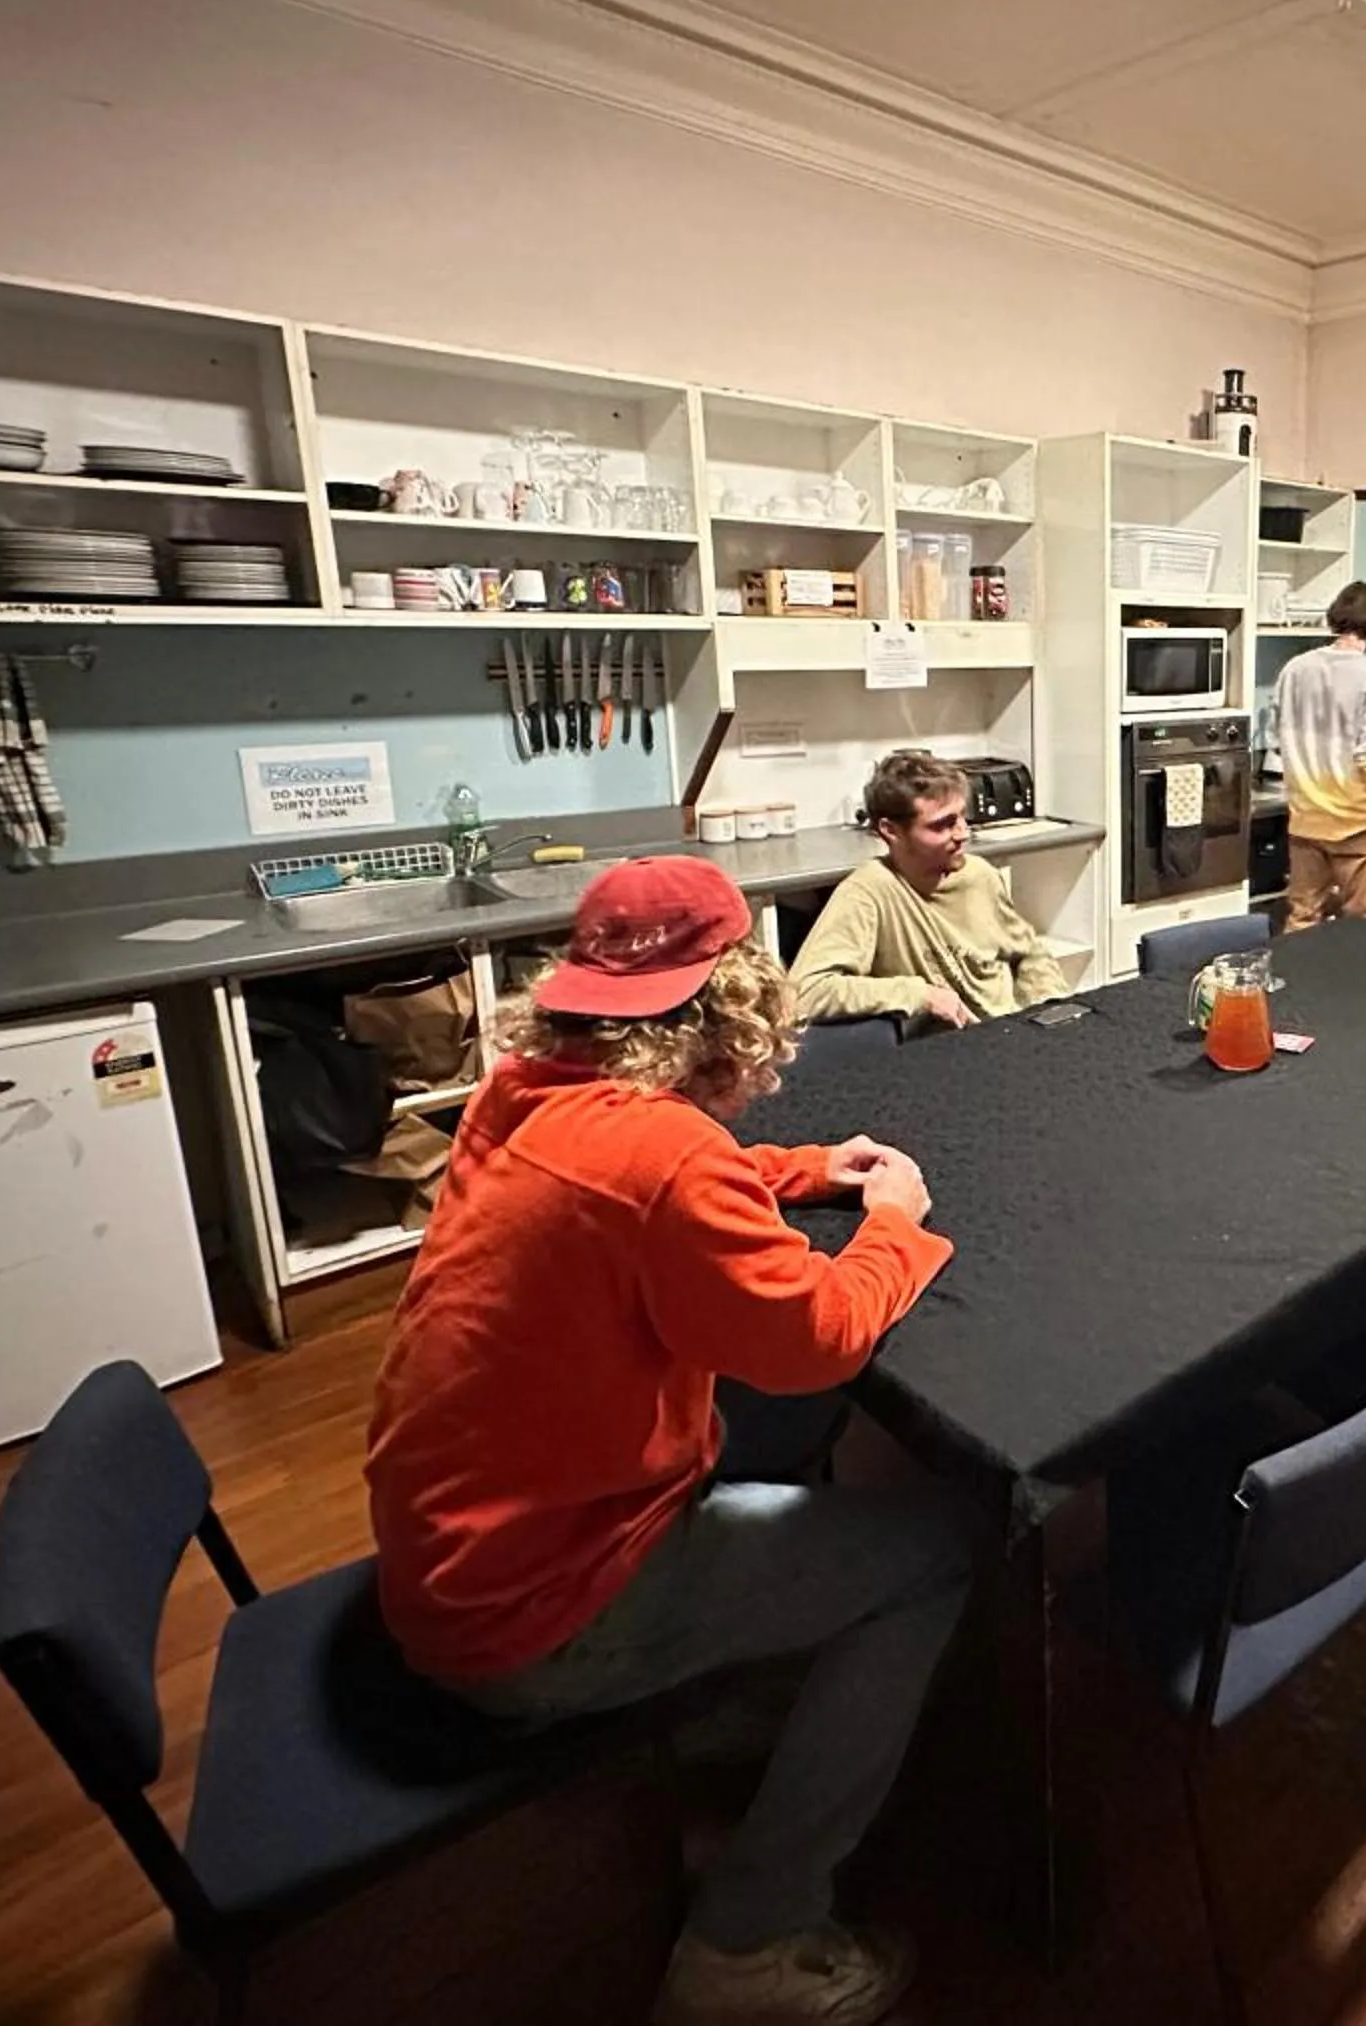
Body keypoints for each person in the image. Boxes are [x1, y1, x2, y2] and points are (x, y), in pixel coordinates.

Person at [366, 855, 965, 2026]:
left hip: (450, 1558)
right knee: (936, 1547)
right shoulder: (663, 1157)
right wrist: (893, 1225)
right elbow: (819, 1336)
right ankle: (747, 1946)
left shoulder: (522, 1093)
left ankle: (734, 1689)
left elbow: (656, 1187)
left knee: (777, 1454)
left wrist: (800, 1168)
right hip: (535, 1619)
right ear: (733, 1005)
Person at [790, 750, 1072, 1029]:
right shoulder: (869, 891)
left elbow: (1029, 953)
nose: (963, 834)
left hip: (1010, 1034)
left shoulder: (981, 875)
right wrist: (919, 995)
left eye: (962, 817)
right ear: (891, 831)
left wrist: (1048, 1007)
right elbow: (805, 992)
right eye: (943, 825)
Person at [1271, 580, 1366, 929]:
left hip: (1305, 818)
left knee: (1301, 918)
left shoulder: (1294, 669)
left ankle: (1295, 979)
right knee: (1361, 926)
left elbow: (1278, 735)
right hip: (1354, 825)